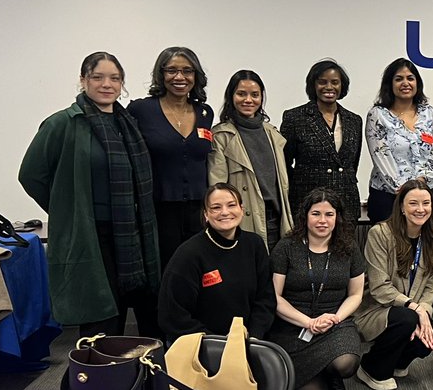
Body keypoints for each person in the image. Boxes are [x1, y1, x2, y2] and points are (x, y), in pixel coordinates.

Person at [19, 52, 161, 335]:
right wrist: (68, 209)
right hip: (92, 235)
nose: (106, 84)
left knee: (138, 313)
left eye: (114, 78)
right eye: (98, 77)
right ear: (83, 80)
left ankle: (137, 377)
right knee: (101, 320)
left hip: (132, 233)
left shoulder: (128, 124)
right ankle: (97, 377)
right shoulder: (63, 123)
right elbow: (31, 175)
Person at [127, 46, 215, 337]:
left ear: (196, 76)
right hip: (158, 210)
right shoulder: (142, 110)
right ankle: (157, 342)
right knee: (161, 278)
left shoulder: (204, 112)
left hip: (198, 212)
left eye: (187, 70)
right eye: (172, 70)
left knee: (197, 275)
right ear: (161, 74)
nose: (179, 76)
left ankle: (194, 338)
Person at [268, 189, 366, 390]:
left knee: (346, 363)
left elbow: (356, 294)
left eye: (329, 214)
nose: (322, 221)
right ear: (305, 216)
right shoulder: (287, 247)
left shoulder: (348, 247)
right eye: (316, 214)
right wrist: (308, 322)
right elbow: (275, 297)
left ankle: (331, 372)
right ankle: (319, 372)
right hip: (293, 325)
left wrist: (335, 318)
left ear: (337, 217)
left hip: (335, 321)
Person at [352, 179, 433, 390]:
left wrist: (424, 313)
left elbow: (432, 285)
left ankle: (397, 361)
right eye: (413, 203)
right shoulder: (380, 234)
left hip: (410, 312)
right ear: (401, 206)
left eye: (426, 203)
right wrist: (415, 309)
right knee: (407, 319)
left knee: (426, 342)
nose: (420, 209)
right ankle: (370, 368)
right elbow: (379, 286)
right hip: (375, 310)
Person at [157, 182, 276, 340]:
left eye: (231, 205)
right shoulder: (189, 254)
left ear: (242, 208)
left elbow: (265, 299)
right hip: (203, 346)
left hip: (249, 341)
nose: (225, 212)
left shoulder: (254, 244)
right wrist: (217, 342)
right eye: (216, 207)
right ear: (206, 214)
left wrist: (254, 335)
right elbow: (172, 316)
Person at [209, 70, 292, 251]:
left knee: (277, 277)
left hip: (277, 219)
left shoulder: (272, 133)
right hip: (242, 221)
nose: (248, 100)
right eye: (241, 94)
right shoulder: (221, 135)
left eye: (255, 95)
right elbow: (217, 187)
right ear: (231, 97)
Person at [280, 59, 364, 227]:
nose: (329, 87)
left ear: (342, 86)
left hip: (346, 201)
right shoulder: (295, 118)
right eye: (322, 82)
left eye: (335, 82)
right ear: (313, 85)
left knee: (345, 250)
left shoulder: (354, 120)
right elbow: (284, 163)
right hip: (307, 200)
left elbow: (352, 164)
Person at [365, 57, 433, 223]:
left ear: (417, 83)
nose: (405, 83)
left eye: (410, 78)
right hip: (388, 196)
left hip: (425, 194)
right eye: (399, 79)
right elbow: (380, 155)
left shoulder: (430, 113)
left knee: (424, 245)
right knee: (386, 245)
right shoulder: (378, 115)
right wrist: (404, 189)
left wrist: (421, 183)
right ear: (390, 84)